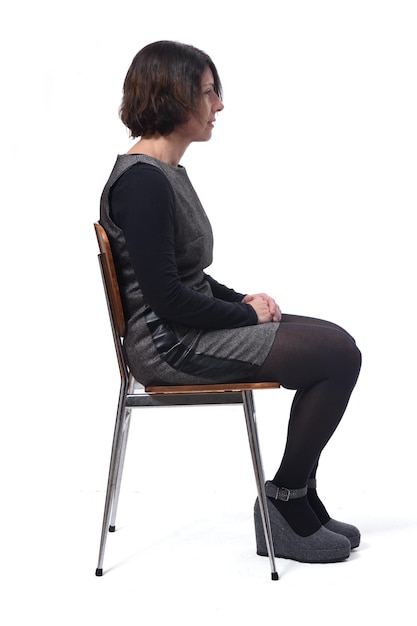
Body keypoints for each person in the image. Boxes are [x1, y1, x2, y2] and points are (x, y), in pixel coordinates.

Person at [99, 40, 362, 564]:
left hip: (184, 330)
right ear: (174, 98)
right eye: (208, 91)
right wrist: (245, 315)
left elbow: (186, 275)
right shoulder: (143, 184)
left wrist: (240, 297)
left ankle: (299, 499)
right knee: (336, 357)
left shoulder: (163, 173)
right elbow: (168, 298)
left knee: (338, 344)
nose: (219, 104)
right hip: (170, 346)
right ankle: (285, 503)